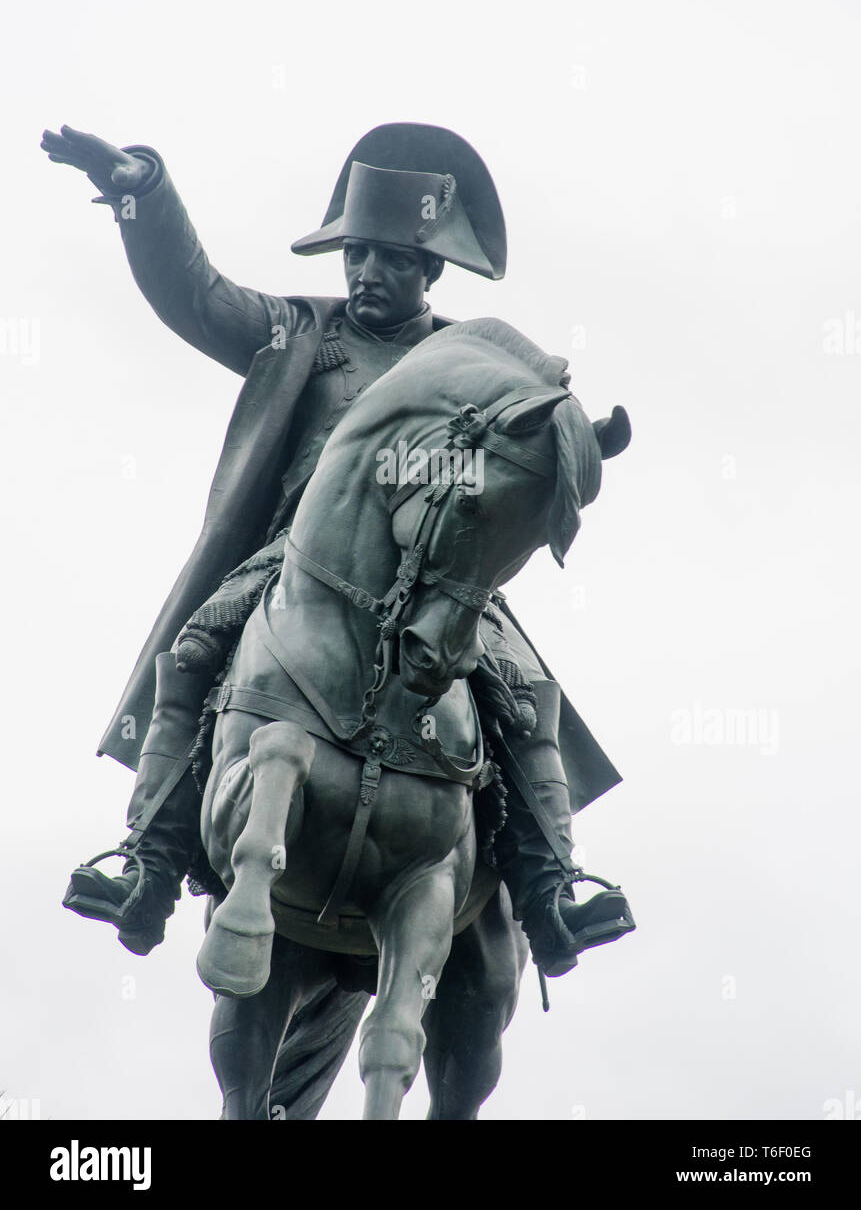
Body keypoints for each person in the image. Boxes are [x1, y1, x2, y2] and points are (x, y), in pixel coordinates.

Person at [42, 121, 634, 977]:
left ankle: (551, 891)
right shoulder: (295, 332)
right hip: (292, 564)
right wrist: (140, 193)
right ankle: (149, 860)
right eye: (355, 254)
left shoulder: (465, 360)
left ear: (428, 270)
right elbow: (196, 293)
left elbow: (543, 433)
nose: (364, 272)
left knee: (522, 690)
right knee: (196, 650)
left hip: (434, 581)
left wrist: (589, 441)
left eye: (389, 258)